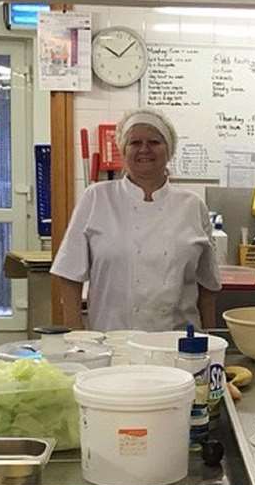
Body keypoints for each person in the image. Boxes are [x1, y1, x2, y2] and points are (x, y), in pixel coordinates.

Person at [51, 109, 221, 331]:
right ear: (122, 149)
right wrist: (74, 337)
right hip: (111, 341)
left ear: (169, 149)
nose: (144, 149)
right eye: (135, 143)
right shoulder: (96, 198)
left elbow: (207, 286)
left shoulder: (192, 205)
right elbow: (70, 276)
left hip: (179, 344)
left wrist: (211, 341)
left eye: (154, 142)